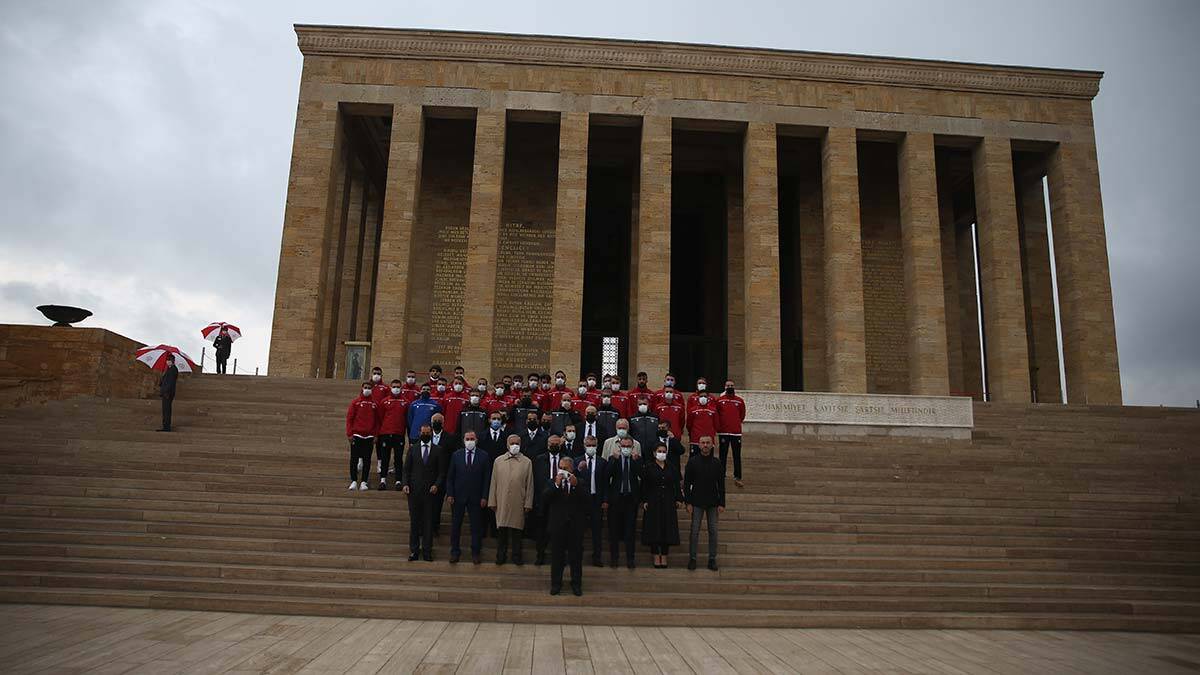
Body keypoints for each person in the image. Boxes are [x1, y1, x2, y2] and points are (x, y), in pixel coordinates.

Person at [544, 455, 588, 596]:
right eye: (561, 468)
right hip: (558, 526)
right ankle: (556, 584)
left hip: (575, 526)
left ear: (572, 469)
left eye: (566, 468)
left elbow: (588, 500)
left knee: (576, 557)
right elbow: (545, 498)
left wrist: (576, 486)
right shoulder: (552, 482)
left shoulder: (580, 482)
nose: (563, 471)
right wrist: (556, 485)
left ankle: (576, 584)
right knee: (557, 557)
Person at [402, 424, 446, 561]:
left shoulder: (438, 450)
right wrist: (405, 484)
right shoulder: (413, 449)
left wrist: (436, 485)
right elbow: (406, 470)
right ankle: (414, 550)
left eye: (428, 433)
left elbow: (441, 472)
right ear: (420, 433)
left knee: (428, 523)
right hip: (414, 492)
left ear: (431, 433)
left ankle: (427, 550)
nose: (425, 435)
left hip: (430, 493)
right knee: (415, 522)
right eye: (423, 432)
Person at [447, 431, 492, 564]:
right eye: (468, 439)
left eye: (472, 438)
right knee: (455, 526)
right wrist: (450, 494)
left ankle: (475, 553)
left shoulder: (484, 456)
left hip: (476, 498)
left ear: (476, 440)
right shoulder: (456, 455)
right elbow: (450, 477)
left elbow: (487, 479)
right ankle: (455, 552)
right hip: (458, 497)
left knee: (476, 527)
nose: (470, 441)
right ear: (463, 440)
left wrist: (485, 496)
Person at [489, 435, 534, 565]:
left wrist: (528, 502)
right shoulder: (498, 461)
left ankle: (516, 556)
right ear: (507, 445)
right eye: (512, 443)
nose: (515, 445)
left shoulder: (527, 462)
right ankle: (500, 556)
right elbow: (494, 482)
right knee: (502, 531)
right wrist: (492, 500)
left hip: (518, 501)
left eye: (517, 443)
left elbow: (530, 484)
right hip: (502, 500)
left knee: (517, 532)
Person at [684, 435, 725, 571]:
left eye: (708, 443)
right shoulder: (692, 462)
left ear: (712, 444)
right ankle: (693, 558)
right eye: (703, 443)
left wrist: (722, 503)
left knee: (713, 531)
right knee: (694, 531)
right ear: (699, 445)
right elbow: (686, 483)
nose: (705, 445)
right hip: (696, 502)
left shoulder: (717, 463)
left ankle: (712, 559)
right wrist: (688, 502)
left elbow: (721, 484)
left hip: (713, 502)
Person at [641, 442, 682, 568]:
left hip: (668, 500)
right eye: (659, 451)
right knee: (654, 527)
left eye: (664, 451)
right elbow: (644, 486)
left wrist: (679, 499)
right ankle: (655, 555)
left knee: (667, 528)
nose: (661, 454)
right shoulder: (648, 467)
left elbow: (676, 485)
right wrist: (645, 500)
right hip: (653, 501)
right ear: (654, 453)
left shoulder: (672, 467)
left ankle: (664, 555)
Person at [606, 436, 642, 569]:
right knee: (614, 530)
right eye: (624, 446)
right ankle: (614, 558)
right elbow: (606, 475)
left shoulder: (636, 459)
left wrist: (637, 461)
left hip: (630, 499)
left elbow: (642, 475)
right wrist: (613, 460)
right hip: (616, 499)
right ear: (620, 447)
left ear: (632, 447)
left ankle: (630, 559)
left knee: (630, 531)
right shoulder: (613, 459)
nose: (626, 448)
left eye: (628, 446)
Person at [532, 434, 566, 566]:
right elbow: (535, 480)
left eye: (557, 444)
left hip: (560, 500)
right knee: (541, 530)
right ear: (547, 445)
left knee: (560, 531)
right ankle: (540, 555)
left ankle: (560, 557)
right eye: (551, 444)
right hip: (543, 499)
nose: (554, 446)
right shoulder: (539, 459)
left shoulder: (565, 459)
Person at [574, 436, 608, 566]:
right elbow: (572, 479)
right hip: (581, 501)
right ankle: (577, 556)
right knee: (578, 531)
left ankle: (597, 558)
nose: (591, 448)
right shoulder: (577, 460)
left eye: (593, 445)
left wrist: (605, 499)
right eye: (589, 445)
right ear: (584, 446)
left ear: (597, 446)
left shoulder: (602, 462)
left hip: (596, 500)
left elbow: (605, 483)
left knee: (597, 532)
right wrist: (578, 469)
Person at [345, 382, 380, 490]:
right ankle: (354, 480)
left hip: (369, 436)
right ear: (362, 388)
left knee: (367, 460)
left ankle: (364, 481)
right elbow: (349, 419)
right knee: (354, 459)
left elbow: (377, 421)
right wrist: (349, 434)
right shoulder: (355, 402)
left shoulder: (374, 404)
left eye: (369, 388)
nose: (367, 390)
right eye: (365, 388)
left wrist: (375, 435)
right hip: (356, 435)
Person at [429, 413, 459, 536]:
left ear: (443, 422)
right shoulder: (426, 437)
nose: (436, 422)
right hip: (431, 476)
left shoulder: (450, 438)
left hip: (446, 475)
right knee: (432, 504)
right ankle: (433, 527)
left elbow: (454, 456)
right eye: (434, 420)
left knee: (444, 503)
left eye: (439, 420)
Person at [377, 379, 410, 490]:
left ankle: (398, 480)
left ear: (401, 388)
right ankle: (383, 480)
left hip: (399, 434)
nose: (396, 388)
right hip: (386, 433)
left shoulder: (405, 402)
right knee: (385, 457)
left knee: (398, 458)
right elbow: (381, 417)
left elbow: (407, 418)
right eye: (394, 386)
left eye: (398, 386)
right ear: (391, 387)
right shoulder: (384, 401)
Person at [716, 379, 747, 488]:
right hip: (723, 432)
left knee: (736, 456)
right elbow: (717, 415)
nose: (730, 387)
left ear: (734, 387)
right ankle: (721, 475)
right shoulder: (719, 400)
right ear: (724, 387)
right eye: (728, 385)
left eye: (731, 385)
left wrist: (736, 423)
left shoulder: (739, 401)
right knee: (722, 455)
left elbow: (742, 415)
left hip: (736, 433)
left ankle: (737, 477)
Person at [157, 353, 179, 432]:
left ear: (172, 361)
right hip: (165, 392)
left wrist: (166, 391)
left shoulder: (173, 369)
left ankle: (166, 427)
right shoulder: (169, 369)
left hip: (168, 393)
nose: (167, 361)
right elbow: (165, 381)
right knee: (165, 410)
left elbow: (171, 382)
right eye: (167, 360)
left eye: (168, 360)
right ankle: (165, 425)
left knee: (167, 410)